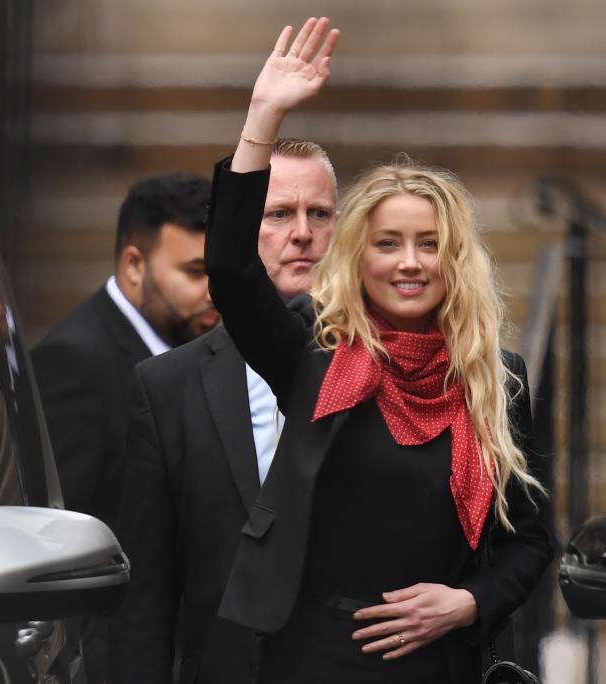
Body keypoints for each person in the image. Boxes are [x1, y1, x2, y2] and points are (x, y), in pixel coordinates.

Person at [204, 17, 555, 684]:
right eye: (388, 243)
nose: (410, 262)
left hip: (440, 662)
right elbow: (230, 273)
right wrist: (263, 116)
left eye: (429, 244)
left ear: (455, 261)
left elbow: (532, 539)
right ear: (357, 256)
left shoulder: (495, 379)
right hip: (314, 658)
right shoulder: (315, 352)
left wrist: (468, 603)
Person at [108, 137, 338, 684]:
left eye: (320, 213)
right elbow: (145, 603)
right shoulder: (168, 385)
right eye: (278, 213)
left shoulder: (385, 371)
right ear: (237, 229)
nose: (302, 232)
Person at [31, 172, 216, 684]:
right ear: (134, 265)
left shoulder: (189, 357)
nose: (213, 293)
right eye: (196, 272)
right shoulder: (76, 361)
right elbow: (55, 538)